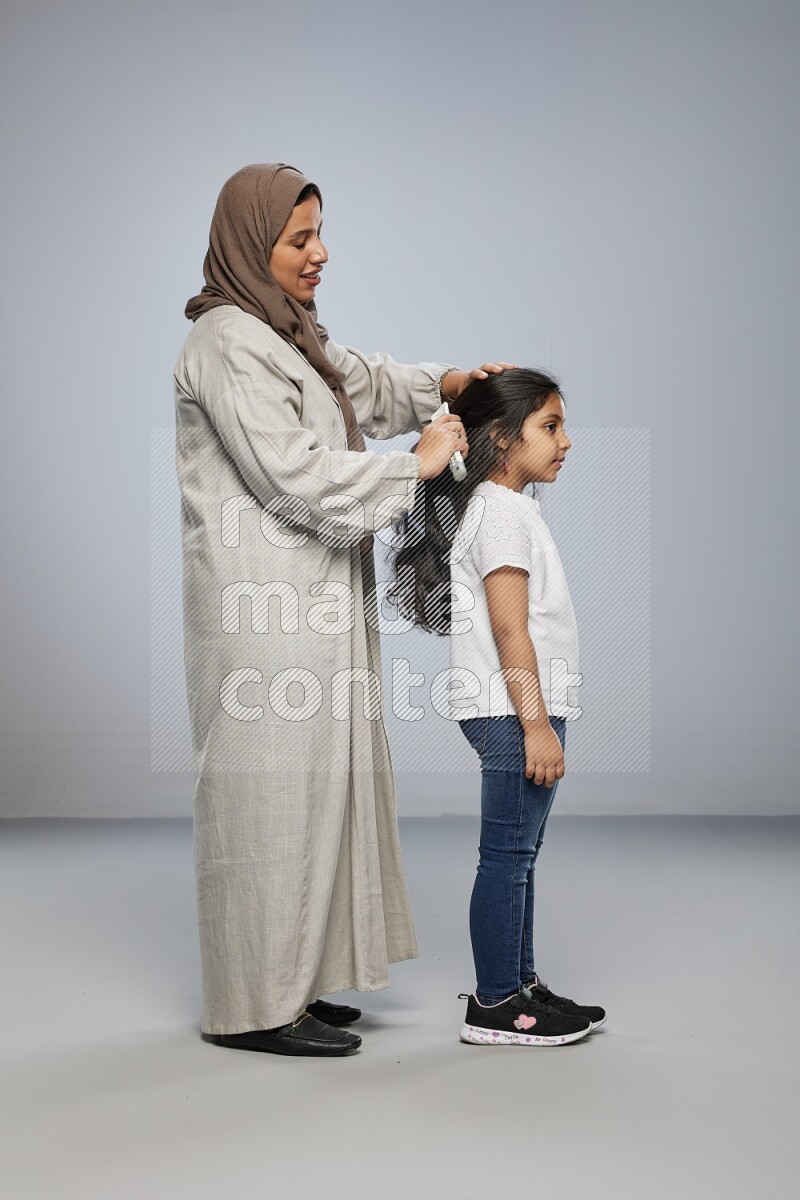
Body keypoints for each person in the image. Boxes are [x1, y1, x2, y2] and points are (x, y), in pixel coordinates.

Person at [173, 161, 514, 1057]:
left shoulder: (286, 334)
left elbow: (362, 382)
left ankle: (294, 985)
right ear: (252, 244)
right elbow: (294, 478)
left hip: (313, 604)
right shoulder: (228, 342)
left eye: (320, 232)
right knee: (269, 802)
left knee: (322, 795)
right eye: (298, 238)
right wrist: (417, 465)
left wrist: (450, 384)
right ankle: (253, 1006)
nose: (318, 251)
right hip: (262, 616)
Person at [386, 368, 607, 1046]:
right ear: (504, 439)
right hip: (514, 711)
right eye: (550, 426)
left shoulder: (508, 507)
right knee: (507, 856)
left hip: (517, 708)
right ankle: (496, 1003)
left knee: (521, 855)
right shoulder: (502, 514)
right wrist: (536, 723)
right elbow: (511, 628)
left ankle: (521, 985)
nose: (566, 441)